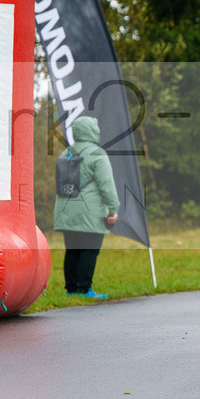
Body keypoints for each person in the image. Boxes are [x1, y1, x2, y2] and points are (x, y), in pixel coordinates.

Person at [53, 115, 119, 299]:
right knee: (89, 250)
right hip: (90, 212)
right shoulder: (97, 153)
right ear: (93, 130)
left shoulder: (66, 153)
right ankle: (84, 289)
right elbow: (107, 185)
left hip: (65, 211)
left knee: (72, 250)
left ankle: (72, 289)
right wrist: (113, 209)